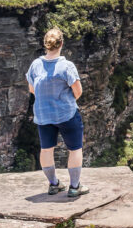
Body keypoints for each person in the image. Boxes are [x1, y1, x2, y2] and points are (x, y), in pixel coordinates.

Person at [26, 28, 89, 197]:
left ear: (45, 44)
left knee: (46, 150)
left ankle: (54, 184)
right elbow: (78, 91)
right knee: (75, 149)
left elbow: (32, 89)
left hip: (43, 116)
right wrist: (65, 101)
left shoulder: (36, 65)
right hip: (66, 114)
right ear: (61, 43)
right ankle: (74, 187)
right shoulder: (66, 66)